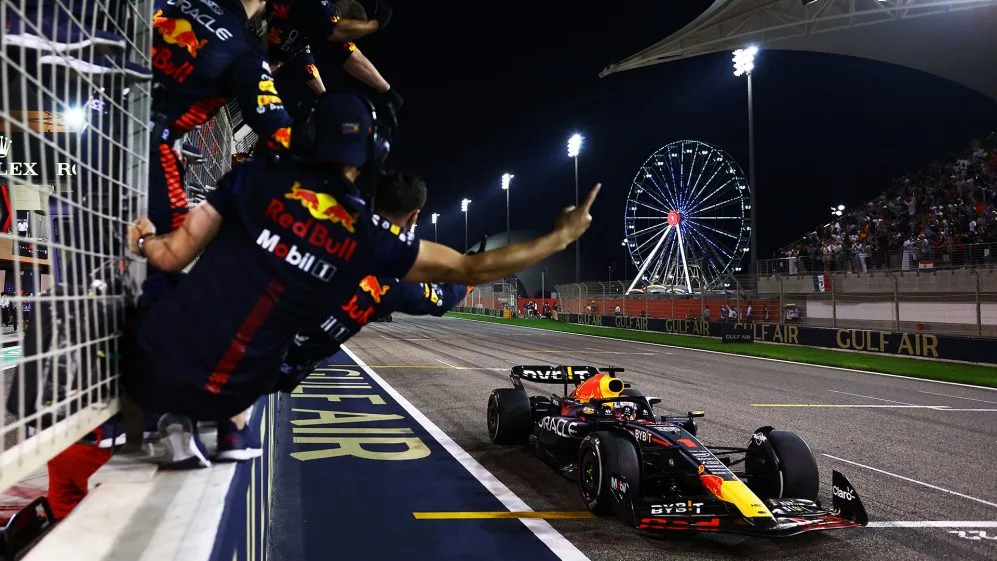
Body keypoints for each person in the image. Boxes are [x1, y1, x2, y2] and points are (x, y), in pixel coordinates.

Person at [125, 93, 600, 467]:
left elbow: (171, 255)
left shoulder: (252, 178)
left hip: (155, 365)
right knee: (273, 336)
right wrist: (560, 239)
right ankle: (227, 427)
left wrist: (144, 240)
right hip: (243, 383)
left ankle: (167, 417)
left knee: (166, 289)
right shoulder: (370, 242)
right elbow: (466, 270)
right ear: (373, 154)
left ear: (307, 134)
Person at [278, 172, 472, 391]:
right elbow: (442, 300)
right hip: (272, 365)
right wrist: (468, 279)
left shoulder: (331, 223)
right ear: (414, 217)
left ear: (374, 202)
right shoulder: (394, 277)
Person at [148, 0, 305, 242]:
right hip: (148, 147)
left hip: (96, 104)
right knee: (173, 244)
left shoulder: (171, 2)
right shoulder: (246, 50)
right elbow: (275, 127)